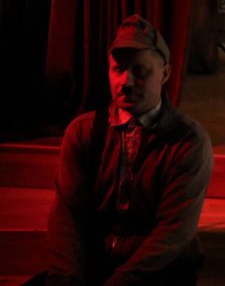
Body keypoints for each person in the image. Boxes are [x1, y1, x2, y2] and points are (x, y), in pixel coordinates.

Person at [42, 14, 213, 285]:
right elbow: (68, 216)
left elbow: (172, 233)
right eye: (117, 70)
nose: (126, 81)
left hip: (156, 270)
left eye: (139, 71)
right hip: (96, 262)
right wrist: (66, 278)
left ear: (165, 73)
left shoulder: (188, 141)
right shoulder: (84, 131)